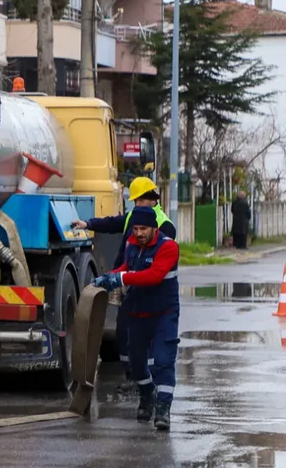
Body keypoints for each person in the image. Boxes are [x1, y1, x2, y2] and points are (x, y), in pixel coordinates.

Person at [71, 176, 175, 379]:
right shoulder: (133, 218)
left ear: (153, 199)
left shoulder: (164, 225)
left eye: (140, 200)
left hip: (148, 288)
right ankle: (132, 374)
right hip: (128, 282)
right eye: (134, 201)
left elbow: (156, 270)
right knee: (123, 330)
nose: (136, 205)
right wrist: (88, 223)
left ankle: (149, 379)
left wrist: (123, 277)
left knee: (147, 336)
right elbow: (113, 223)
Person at [92, 206, 180, 431]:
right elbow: (126, 267)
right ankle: (147, 395)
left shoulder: (168, 247)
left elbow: (154, 275)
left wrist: (120, 278)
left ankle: (163, 409)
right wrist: (110, 277)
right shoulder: (132, 244)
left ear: (154, 228)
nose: (138, 233)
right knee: (136, 364)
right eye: (136, 228)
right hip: (137, 312)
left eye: (143, 229)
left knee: (163, 361)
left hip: (163, 314)